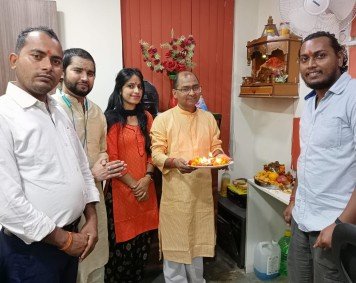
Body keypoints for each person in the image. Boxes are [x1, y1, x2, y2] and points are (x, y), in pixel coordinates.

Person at [0, 27, 100, 283]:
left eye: (56, 61)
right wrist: (64, 240)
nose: (48, 66)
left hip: (73, 238)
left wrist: (91, 217)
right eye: (37, 56)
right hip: (31, 251)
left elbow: (81, 168)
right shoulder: (4, 115)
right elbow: (8, 204)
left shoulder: (58, 109)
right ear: (14, 60)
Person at [283, 31, 356, 282]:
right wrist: (294, 199)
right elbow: (307, 158)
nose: (311, 64)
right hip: (302, 221)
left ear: (340, 57)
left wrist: (340, 224)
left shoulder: (353, 97)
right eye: (304, 58)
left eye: (320, 56)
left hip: (333, 226)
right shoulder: (310, 103)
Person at [53, 48, 125, 283]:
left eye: (91, 73)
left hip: (95, 198)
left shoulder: (95, 111)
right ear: (62, 73)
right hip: (65, 204)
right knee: (71, 266)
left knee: (96, 259)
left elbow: (102, 147)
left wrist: (103, 163)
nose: (85, 77)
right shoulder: (51, 108)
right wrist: (91, 173)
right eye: (78, 70)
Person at [150, 70, 229, 283]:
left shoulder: (209, 118)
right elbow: (156, 153)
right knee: (175, 249)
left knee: (197, 246)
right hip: (176, 194)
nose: (191, 92)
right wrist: (174, 162)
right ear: (175, 93)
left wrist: (220, 157)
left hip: (201, 194)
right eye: (185, 88)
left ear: (200, 90)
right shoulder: (163, 119)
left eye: (195, 87)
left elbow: (215, 146)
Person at [104, 68, 159, 282]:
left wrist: (146, 179)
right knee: (120, 256)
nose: (136, 90)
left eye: (139, 86)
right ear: (120, 88)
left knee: (141, 251)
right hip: (121, 195)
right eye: (130, 86)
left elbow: (153, 151)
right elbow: (112, 159)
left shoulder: (146, 117)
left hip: (146, 192)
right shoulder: (111, 119)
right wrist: (136, 185)